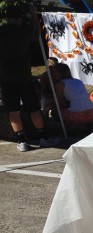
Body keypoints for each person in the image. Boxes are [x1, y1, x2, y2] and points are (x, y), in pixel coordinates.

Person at [0, 3, 51, 152]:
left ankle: (21, 141)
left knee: (13, 111)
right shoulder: (23, 30)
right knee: (33, 109)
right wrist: (34, 15)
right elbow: (36, 34)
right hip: (23, 76)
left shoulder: (1, 31)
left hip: (5, 77)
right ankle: (43, 138)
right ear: (20, 18)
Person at [53, 63, 93, 132]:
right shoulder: (78, 81)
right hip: (91, 114)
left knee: (55, 112)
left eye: (54, 72)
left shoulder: (60, 84)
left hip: (76, 116)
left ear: (60, 73)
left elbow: (59, 102)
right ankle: (87, 127)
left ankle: (71, 127)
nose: (53, 74)